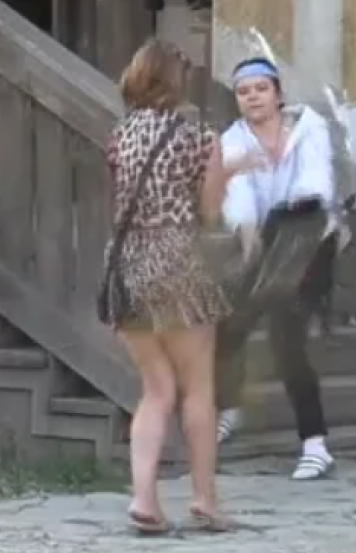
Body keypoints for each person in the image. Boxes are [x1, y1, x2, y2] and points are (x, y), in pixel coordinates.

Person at [105, 39, 242, 533]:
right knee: (198, 390)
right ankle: (204, 500)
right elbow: (210, 212)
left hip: (126, 265)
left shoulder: (120, 135)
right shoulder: (201, 137)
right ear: (176, 78)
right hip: (179, 262)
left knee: (156, 389)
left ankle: (144, 499)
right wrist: (226, 173)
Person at [214, 57, 339, 481]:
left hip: (311, 237)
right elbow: (240, 197)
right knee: (228, 321)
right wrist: (248, 237)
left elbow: (315, 185)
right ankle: (229, 407)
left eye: (261, 89)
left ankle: (315, 443)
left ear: (278, 93)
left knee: (287, 334)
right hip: (266, 237)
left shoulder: (310, 128)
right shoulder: (233, 140)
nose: (253, 97)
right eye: (243, 92)